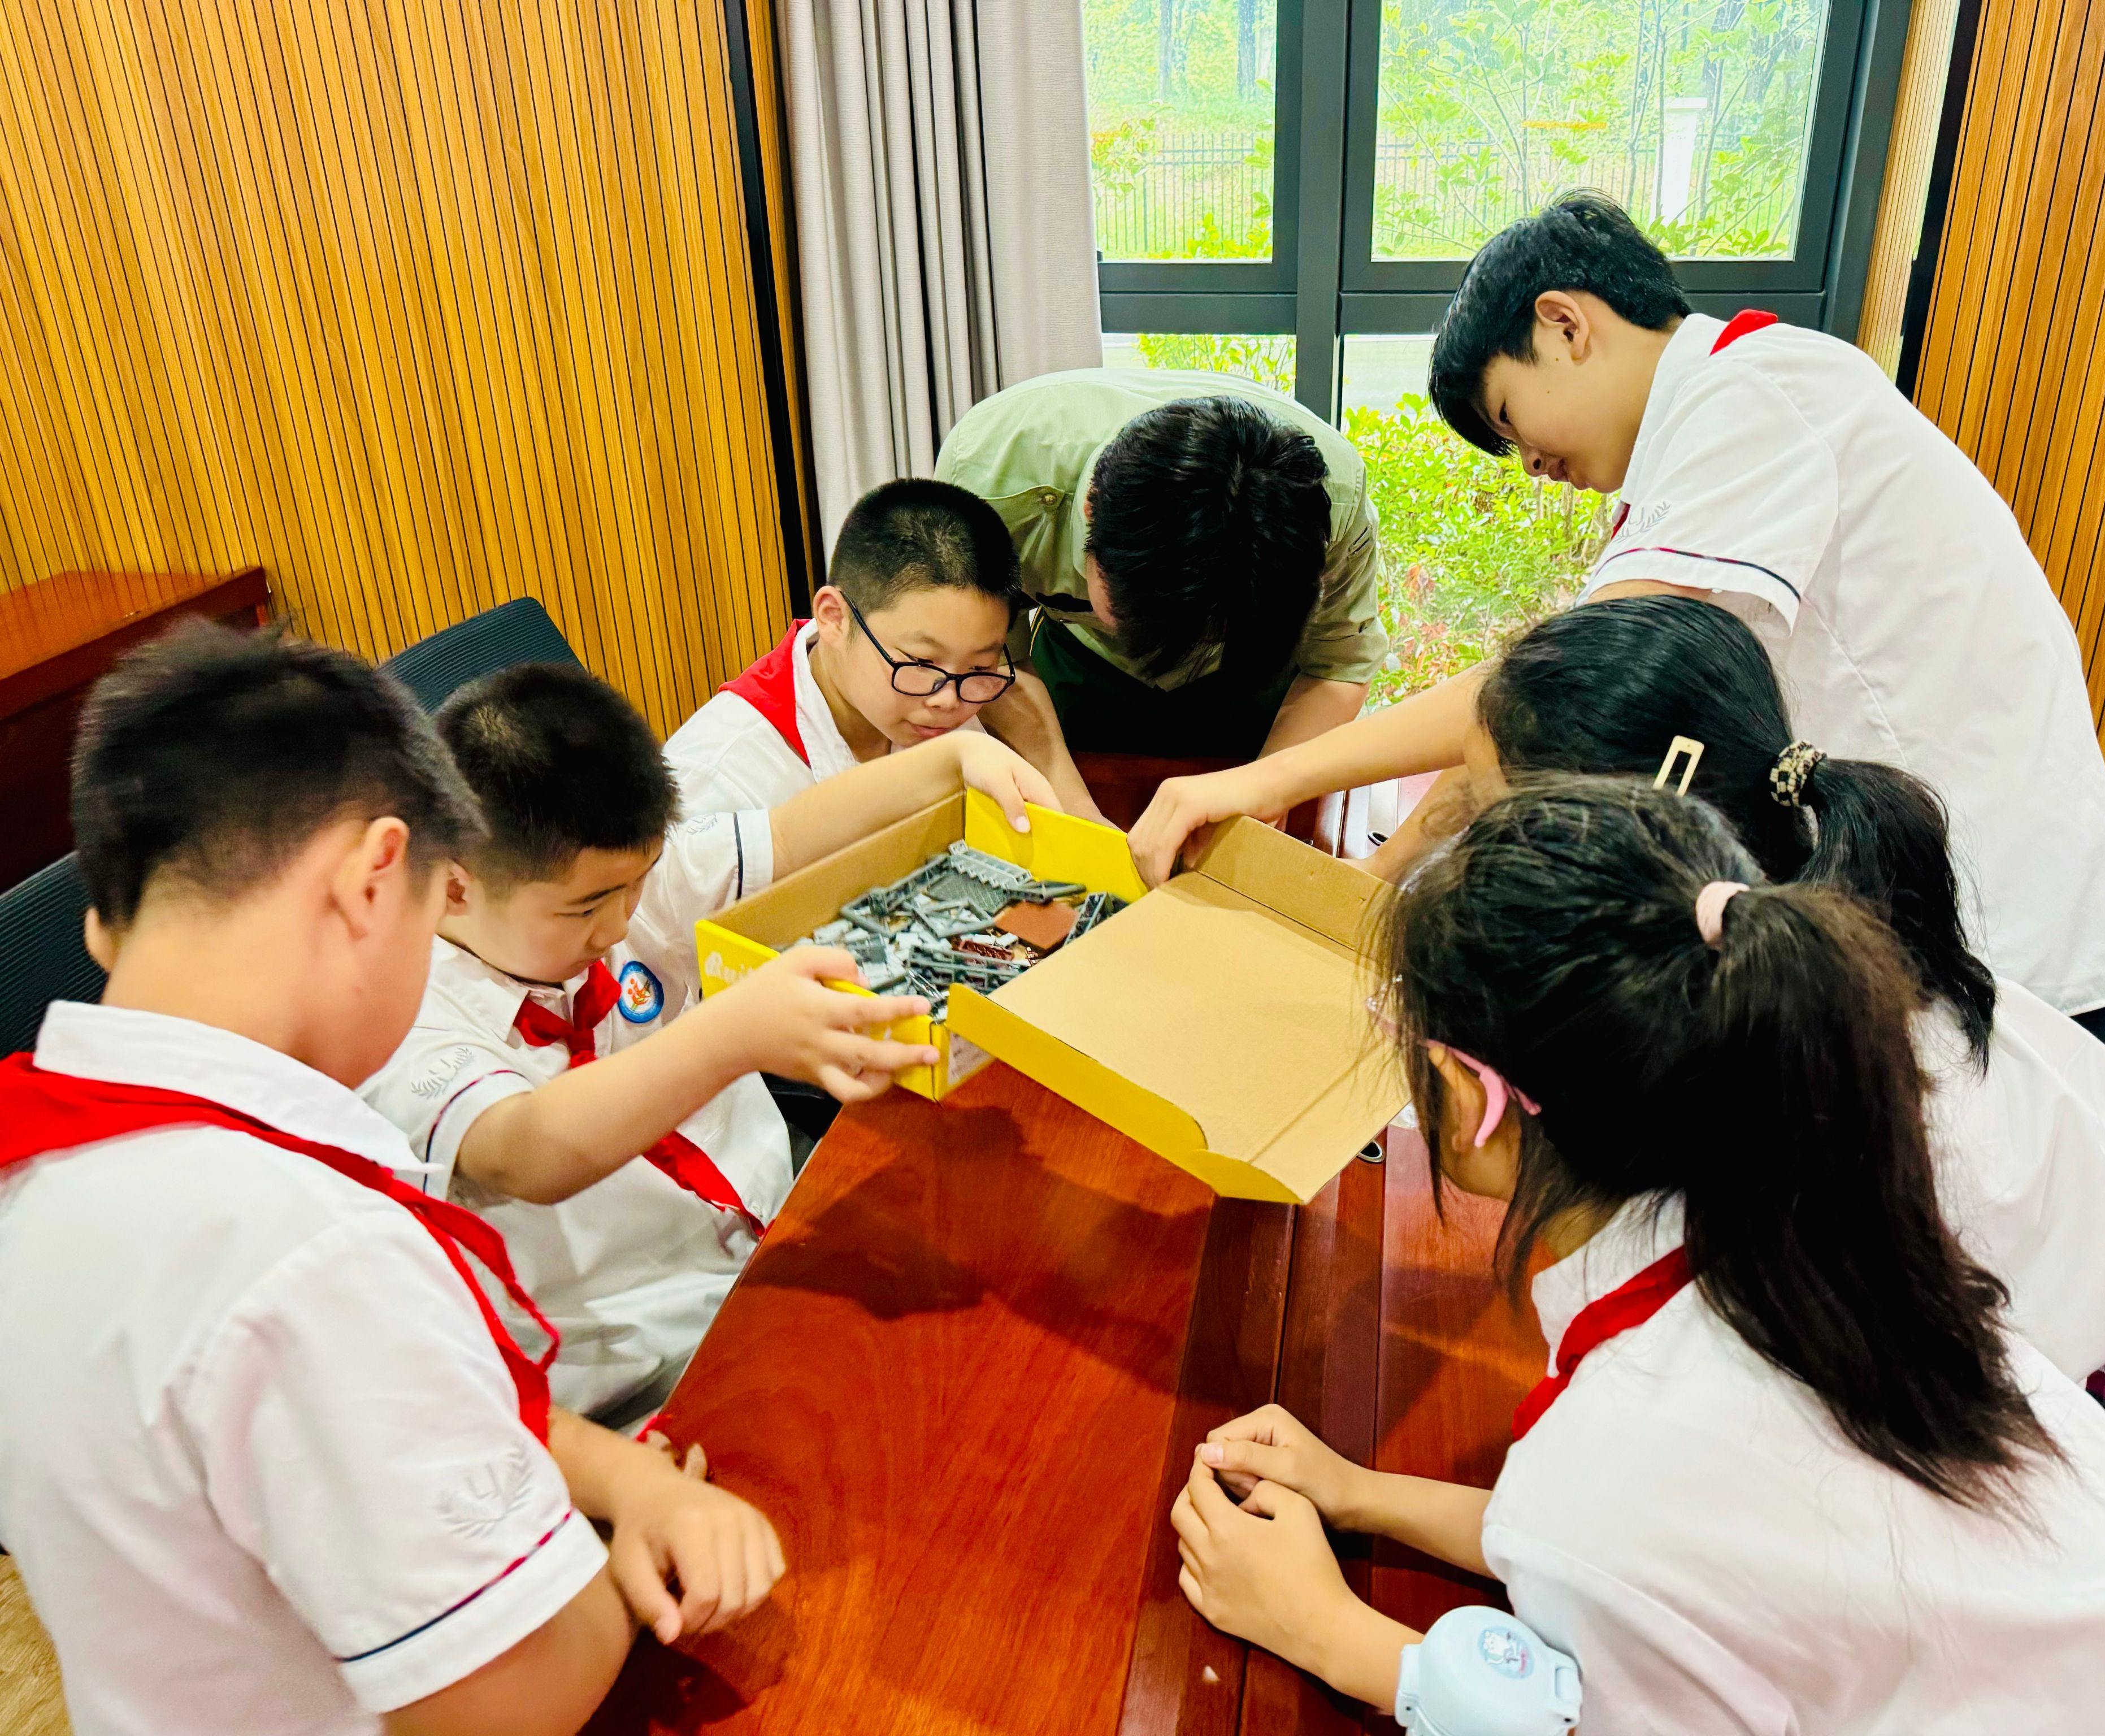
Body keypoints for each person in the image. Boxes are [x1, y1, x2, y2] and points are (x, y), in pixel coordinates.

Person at [1169, 779, 2105, 1733]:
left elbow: (1622, 1575)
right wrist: (1364, 1494)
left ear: (1470, 1099)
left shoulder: (1633, 1457)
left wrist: (1336, 1636)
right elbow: (1678, 1555)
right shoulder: (1820, 1232)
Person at [0, 624, 783, 1736]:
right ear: (375, 878)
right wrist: (618, 1563)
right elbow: (511, 1697)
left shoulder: (46, 1170)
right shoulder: (307, 1249)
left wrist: (627, 1482)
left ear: (103, 923)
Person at [1133, 192, 2105, 1032]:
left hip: (2000, 932)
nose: (1531, 465)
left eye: (1510, 419)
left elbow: (1559, 690)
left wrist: (1260, 782)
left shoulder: (1753, 400)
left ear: (1564, 323)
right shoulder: (1707, 430)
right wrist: (1380, 878)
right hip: (1912, 901)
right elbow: (1541, 713)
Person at [1464, 596, 2105, 1477]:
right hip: (2010, 1317)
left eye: (1493, 829)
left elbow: (1765, 1435)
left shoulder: (1792, 1066)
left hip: (2087, 1412)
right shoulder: (1768, 934)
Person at [362, 662, 1051, 1425]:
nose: (621, 925)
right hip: (651, 1372)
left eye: (639, 884)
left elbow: (788, 833)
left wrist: (955, 757)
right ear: (456, 886)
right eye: (586, 909)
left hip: (784, 1231)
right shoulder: (395, 1018)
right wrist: (731, 1035)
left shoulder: (614, 879)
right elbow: (526, 1149)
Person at [934, 368, 1387, 763]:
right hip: (1083, 669)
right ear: (1092, 509)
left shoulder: (1325, 503)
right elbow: (992, 662)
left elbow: (1338, 667)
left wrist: (1264, 791)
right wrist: (1075, 809)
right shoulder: (985, 477)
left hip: (1246, 676)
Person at [665, 478, 1078, 817]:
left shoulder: (950, 699)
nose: (950, 702)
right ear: (834, 618)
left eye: (979, 668)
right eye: (921, 662)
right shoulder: (718, 779)